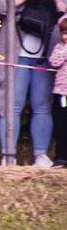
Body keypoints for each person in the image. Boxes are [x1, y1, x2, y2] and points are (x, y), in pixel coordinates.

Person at [0, 0, 67, 167]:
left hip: (49, 56)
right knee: (11, 105)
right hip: (16, 54)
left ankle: (40, 155)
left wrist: (59, 2)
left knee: (42, 106)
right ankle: (8, 155)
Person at [47, 18, 67, 166]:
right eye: (65, 33)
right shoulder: (59, 47)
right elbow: (54, 62)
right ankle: (61, 157)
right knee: (61, 126)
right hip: (61, 92)